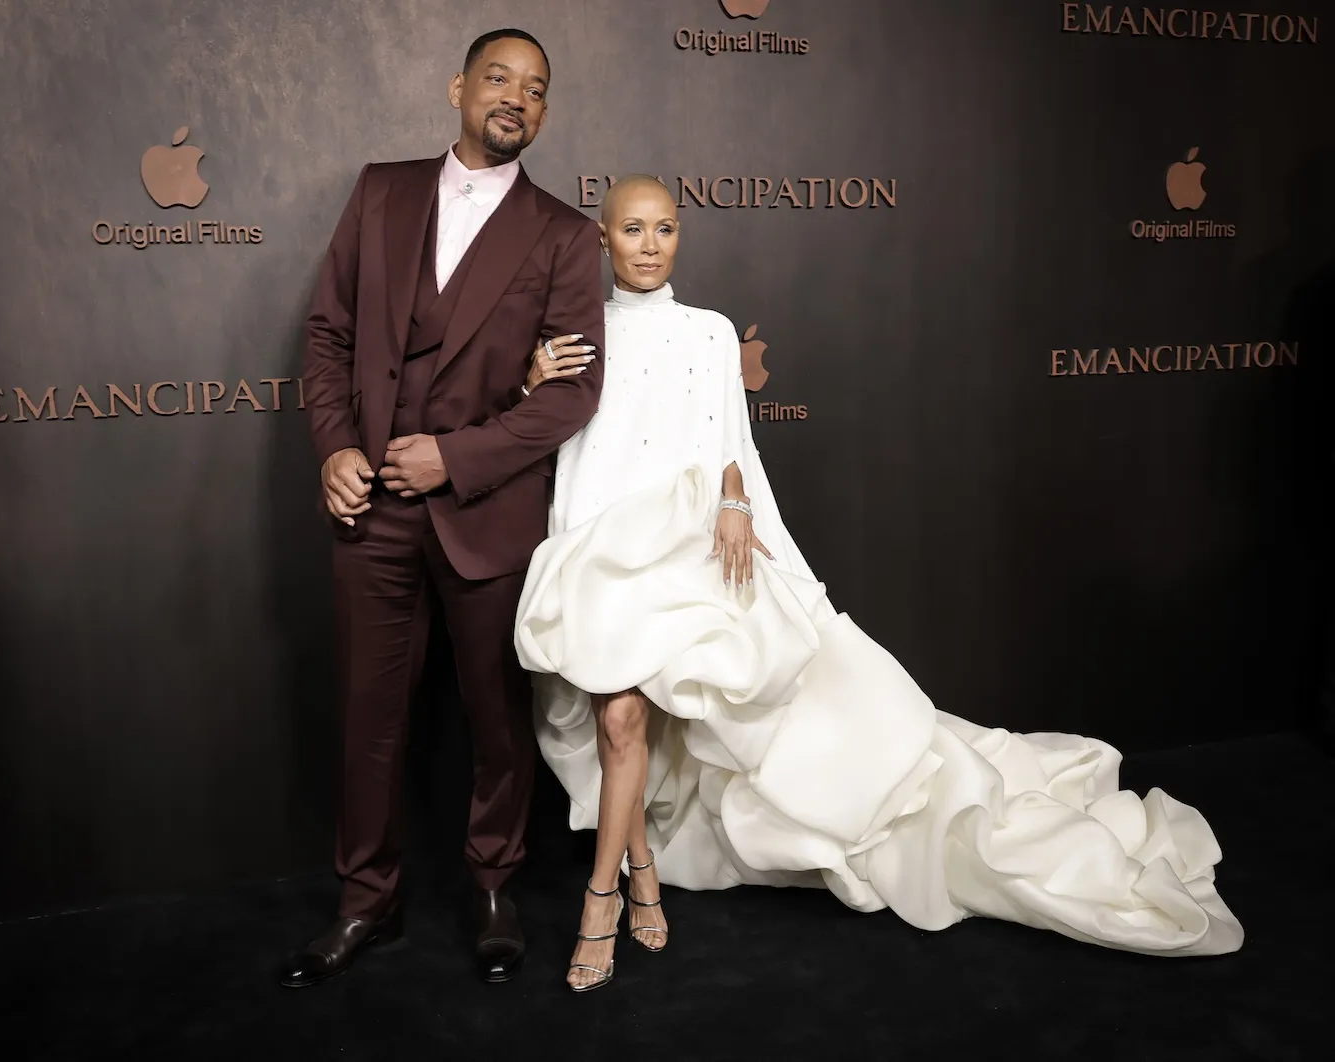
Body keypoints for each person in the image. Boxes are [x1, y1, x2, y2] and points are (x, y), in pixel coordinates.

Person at [514, 175, 1245, 993]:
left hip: (690, 544)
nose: (650, 246)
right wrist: (534, 382)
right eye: (632, 229)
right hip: (607, 548)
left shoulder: (711, 331)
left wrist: (735, 503)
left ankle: (603, 897)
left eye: (665, 228)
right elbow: (546, 433)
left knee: (642, 720)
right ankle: (635, 873)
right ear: (602, 237)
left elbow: (726, 436)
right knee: (619, 718)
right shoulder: (578, 332)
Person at [284, 28, 605, 988]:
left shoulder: (563, 233)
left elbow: (571, 396)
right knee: (369, 716)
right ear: (457, 86)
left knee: (498, 720)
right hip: (372, 509)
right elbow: (329, 333)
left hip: (488, 514)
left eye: (535, 89)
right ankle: (365, 900)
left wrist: (454, 458)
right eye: (499, 78)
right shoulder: (380, 191)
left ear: (544, 112)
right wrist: (337, 447)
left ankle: (496, 887)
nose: (516, 98)